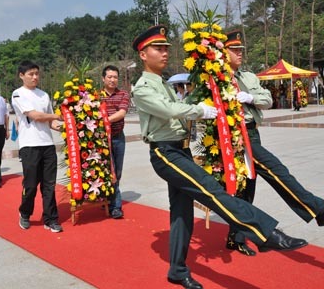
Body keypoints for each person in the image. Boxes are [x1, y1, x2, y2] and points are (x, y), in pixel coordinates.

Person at [131, 25, 307, 289]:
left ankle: (177, 270)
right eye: (158, 48)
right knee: (213, 192)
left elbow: (183, 106)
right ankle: (266, 233)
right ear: (143, 54)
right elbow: (168, 110)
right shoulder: (142, 87)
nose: (165, 53)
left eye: (167, 48)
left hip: (181, 149)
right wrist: (198, 110)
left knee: (181, 214)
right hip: (165, 153)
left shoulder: (163, 83)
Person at [224, 30, 324, 256]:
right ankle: (318, 208)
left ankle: (236, 237)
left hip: (251, 133)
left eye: (241, 50)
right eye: (235, 50)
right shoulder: (214, 78)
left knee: (247, 188)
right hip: (233, 138)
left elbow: (267, 100)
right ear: (223, 52)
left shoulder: (248, 77)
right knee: (277, 170)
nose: (240, 54)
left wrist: (250, 98)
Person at [12, 61, 63, 233]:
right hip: (29, 146)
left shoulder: (44, 95)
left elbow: (50, 122)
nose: (35, 77)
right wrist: (58, 115)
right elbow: (36, 116)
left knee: (49, 185)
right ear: (21, 75)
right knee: (31, 184)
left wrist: (68, 126)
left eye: (37, 74)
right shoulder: (17, 94)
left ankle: (51, 219)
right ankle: (25, 213)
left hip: (47, 145)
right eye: (30, 74)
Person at [100, 65, 130, 219]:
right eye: (109, 77)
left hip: (118, 137)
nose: (112, 80)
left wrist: (104, 121)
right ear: (103, 78)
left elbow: (122, 112)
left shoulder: (123, 94)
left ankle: (109, 199)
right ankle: (115, 206)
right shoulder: (95, 96)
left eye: (115, 77)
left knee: (117, 171)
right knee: (107, 170)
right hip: (102, 140)